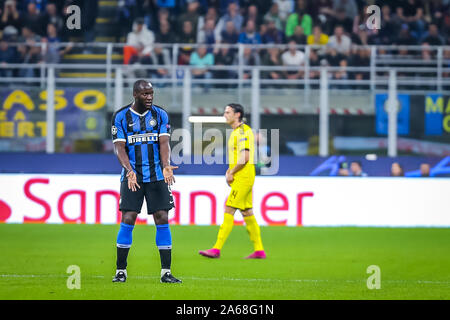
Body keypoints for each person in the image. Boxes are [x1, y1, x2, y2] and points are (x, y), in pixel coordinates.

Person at [111, 80, 181, 284]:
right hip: (133, 177)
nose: (149, 97)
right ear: (135, 94)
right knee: (129, 218)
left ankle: (166, 272)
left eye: (151, 93)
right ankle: (120, 271)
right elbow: (120, 148)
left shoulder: (160, 114)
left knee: (162, 217)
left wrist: (166, 165)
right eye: (145, 94)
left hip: (157, 176)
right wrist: (129, 170)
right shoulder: (121, 116)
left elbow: (164, 143)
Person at [199, 103, 266, 259]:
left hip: (243, 177)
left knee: (229, 208)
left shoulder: (243, 132)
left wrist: (230, 172)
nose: (225, 114)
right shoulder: (237, 132)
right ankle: (259, 250)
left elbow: (245, 157)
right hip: (244, 177)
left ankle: (216, 249)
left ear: (237, 114)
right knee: (247, 211)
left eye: (228, 112)